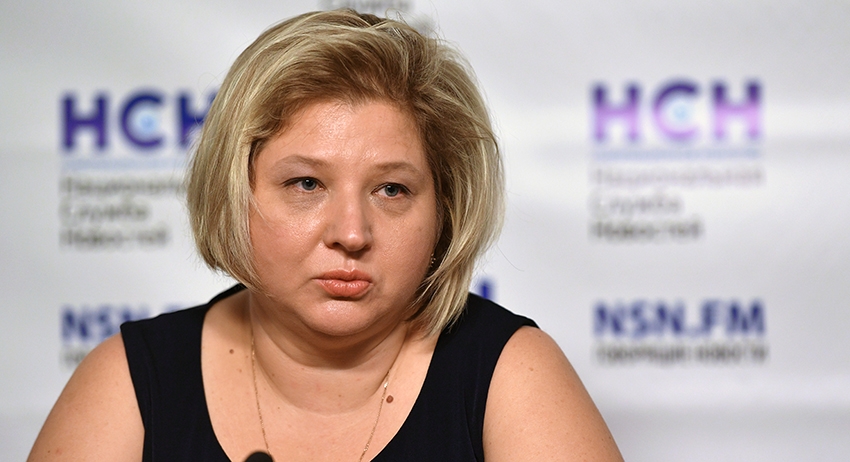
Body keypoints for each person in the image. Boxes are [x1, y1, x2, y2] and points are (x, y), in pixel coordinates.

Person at [29, 9, 623, 462]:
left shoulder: (513, 373)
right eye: (307, 183)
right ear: (234, 193)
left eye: (391, 189)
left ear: (445, 210)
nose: (352, 233)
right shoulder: (130, 380)